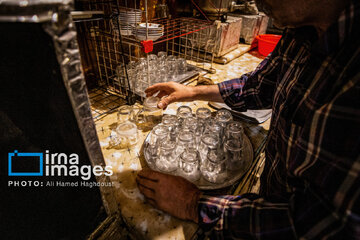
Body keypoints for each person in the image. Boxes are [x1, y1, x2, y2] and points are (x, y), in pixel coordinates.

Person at [136, 0, 360, 238]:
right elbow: (257, 87)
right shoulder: (300, 31)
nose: (256, 2)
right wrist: (192, 93)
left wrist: (193, 204)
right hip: (269, 194)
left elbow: (324, 224)